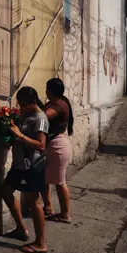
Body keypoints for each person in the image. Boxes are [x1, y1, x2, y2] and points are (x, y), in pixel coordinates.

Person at [1, 86, 49, 253]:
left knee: (34, 203)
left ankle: (41, 243)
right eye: (20, 105)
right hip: (19, 165)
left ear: (34, 102)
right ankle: (21, 229)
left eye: (24, 105)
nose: (21, 108)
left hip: (32, 166)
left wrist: (20, 135)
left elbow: (41, 145)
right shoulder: (26, 115)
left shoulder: (40, 118)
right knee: (6, 190)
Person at [42, 78, 73, 224]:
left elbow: (43, 116)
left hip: (58, 146)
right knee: (45, 178)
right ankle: (48, 208)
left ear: (50, 90)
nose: (45, 91)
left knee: (60, 182)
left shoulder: (59, 104)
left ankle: (65, 214)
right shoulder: (54, 102)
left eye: (47, 89)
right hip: (52, 145)